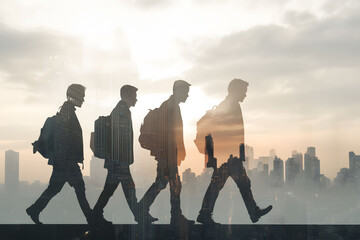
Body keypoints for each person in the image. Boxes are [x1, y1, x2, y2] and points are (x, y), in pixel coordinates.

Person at [194, 79, 272, 225]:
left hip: (229, 156)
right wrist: (231, 155)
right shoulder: (229, 106)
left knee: (234, 184)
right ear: (236, 91)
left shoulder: (230, 105)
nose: (245, 95)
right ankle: (251, 212)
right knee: (223, 185)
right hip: (228, 157)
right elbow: (226, 132)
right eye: (244, 91)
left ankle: (252, 212)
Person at [26, 84, 94, 224]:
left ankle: (34, 209)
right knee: (78, 190)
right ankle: (91, 219)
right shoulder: (67, 114)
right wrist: (68, 162)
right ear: (74, 96)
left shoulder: (67, 112)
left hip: (64, 162)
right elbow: (64, 139)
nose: (83, 99)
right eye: (81, 96)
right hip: (66, 163)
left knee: (56, 189)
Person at [92, 85, 157, 225]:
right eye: (134, 96)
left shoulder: (121, 110)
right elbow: (119, 138)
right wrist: (120, 161)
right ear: (127, 95)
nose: (136, 99)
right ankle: (139, 216)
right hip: (118, 161)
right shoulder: (122, 111)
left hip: (117, 160)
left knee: (112, 190)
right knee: (128, 189)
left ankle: (96, 214)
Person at [138, 80, 195, 227]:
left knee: (167, 184)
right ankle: (173, 216)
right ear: (179, 91)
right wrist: (170, 156)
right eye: (186, 92)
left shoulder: (172, 106)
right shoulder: (169, 107)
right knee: (168, 184)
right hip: (167, 156)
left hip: (169, 155)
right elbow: (167, 135)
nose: (188, 95)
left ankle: (172, 215)